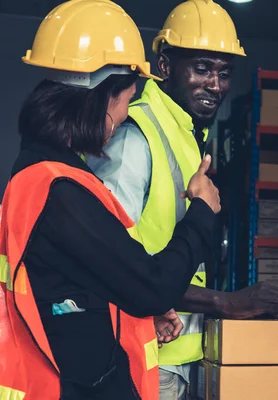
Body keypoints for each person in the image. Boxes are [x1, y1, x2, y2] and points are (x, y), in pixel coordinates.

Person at [0, 0, 224, 398]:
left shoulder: (39, 172)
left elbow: (62, 287)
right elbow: (152, 287)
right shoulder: (60, 190)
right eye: (125, 101)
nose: (123, 116)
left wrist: (125, 315)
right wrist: (202, 212)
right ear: (99, 98)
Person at [85, 0, 278, 397]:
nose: (216, 85)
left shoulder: (185, 137)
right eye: (202, 68)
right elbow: (110, 266)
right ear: (166, 66)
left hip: (178, 357)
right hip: (141, 359)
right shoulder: (134, 138)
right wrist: (227, 302)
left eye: (224, 73)